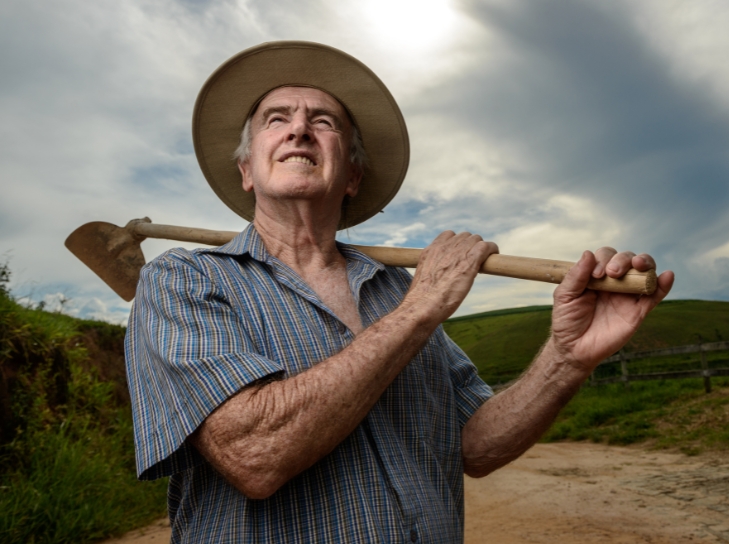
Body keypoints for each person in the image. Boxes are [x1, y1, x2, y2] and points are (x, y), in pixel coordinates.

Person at [125, 41, 674, 543]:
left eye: (323, 121)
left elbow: (474, 446)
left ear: (353, 176)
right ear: (247, 169)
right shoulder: (182, 280)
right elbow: (253, 455)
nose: (300, 130)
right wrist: (422, 309)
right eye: (277, 119)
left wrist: (566, 358)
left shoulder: (394, 288)